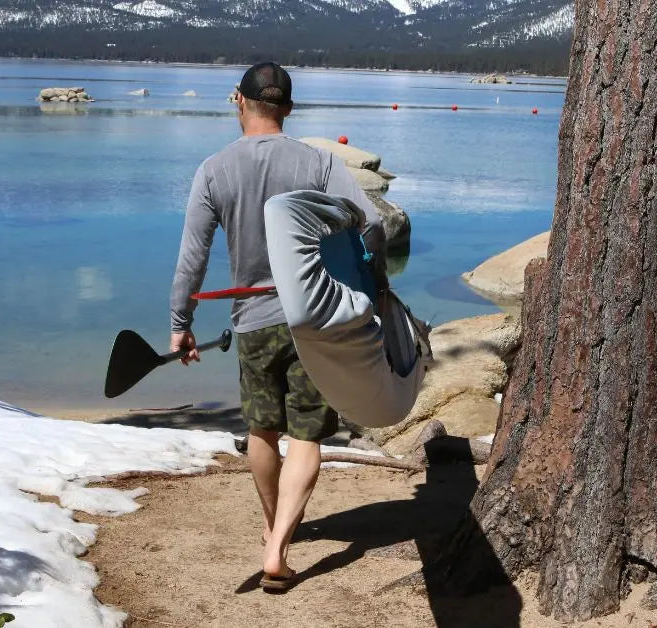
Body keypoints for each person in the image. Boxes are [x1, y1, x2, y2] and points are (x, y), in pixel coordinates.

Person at [167, 62, 387, 591]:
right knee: (307, 434)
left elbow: (192, 256)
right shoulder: (319, 162)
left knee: (262, 430)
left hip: (252, 321)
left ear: (238, 101)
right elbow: (373, 222)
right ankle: (278, 546)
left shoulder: (214, 170)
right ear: (288, 108)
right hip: (315, 320)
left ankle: (274, 533)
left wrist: (181, 323)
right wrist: (368, 283)